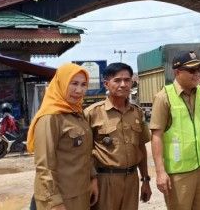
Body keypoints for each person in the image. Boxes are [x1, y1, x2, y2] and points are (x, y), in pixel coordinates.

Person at [27, 63, 98, 210]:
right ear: (61, 83)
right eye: (74, 83)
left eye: (83, 84)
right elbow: (44, 166)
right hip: (59, 198)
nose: (79, 90)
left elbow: (85, 153)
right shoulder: (50, 117)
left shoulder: (78, 114)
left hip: (80, 193)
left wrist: (93, 179)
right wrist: (54, 201)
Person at [84, 62, 152, 209]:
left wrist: (145, 179)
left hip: (131, 179)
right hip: (105, 180)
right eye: (117, 80)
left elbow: (141, 148)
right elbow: (85, 153)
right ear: (106, 84)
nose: (123, 84)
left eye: (127, 80)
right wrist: (92, 179)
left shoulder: (137, 112)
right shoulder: (92, 113)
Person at [149, 51, 200, 210]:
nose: (197, 74)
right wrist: (160, 172)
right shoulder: (164, 97)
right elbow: (156, 136)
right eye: (192, 70)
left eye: (199, 69)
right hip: (178, 173)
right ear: (177, 72)